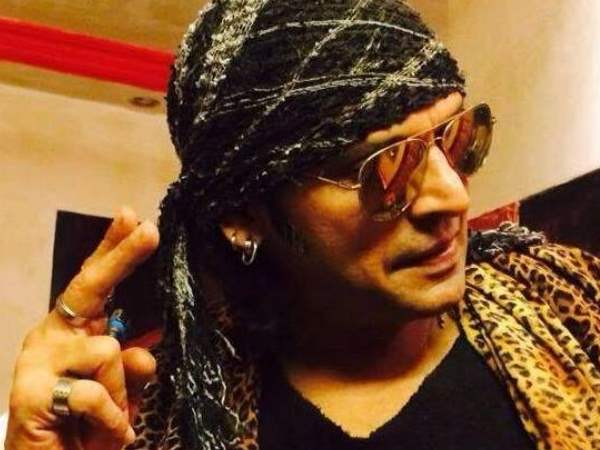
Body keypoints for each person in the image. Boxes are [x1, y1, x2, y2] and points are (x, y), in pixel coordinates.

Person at [5, 1, 600, 449]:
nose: (452, 197)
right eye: (383, 168)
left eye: (456, 138)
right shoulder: (168, 416)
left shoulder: (570, 312)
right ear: (244, 215)